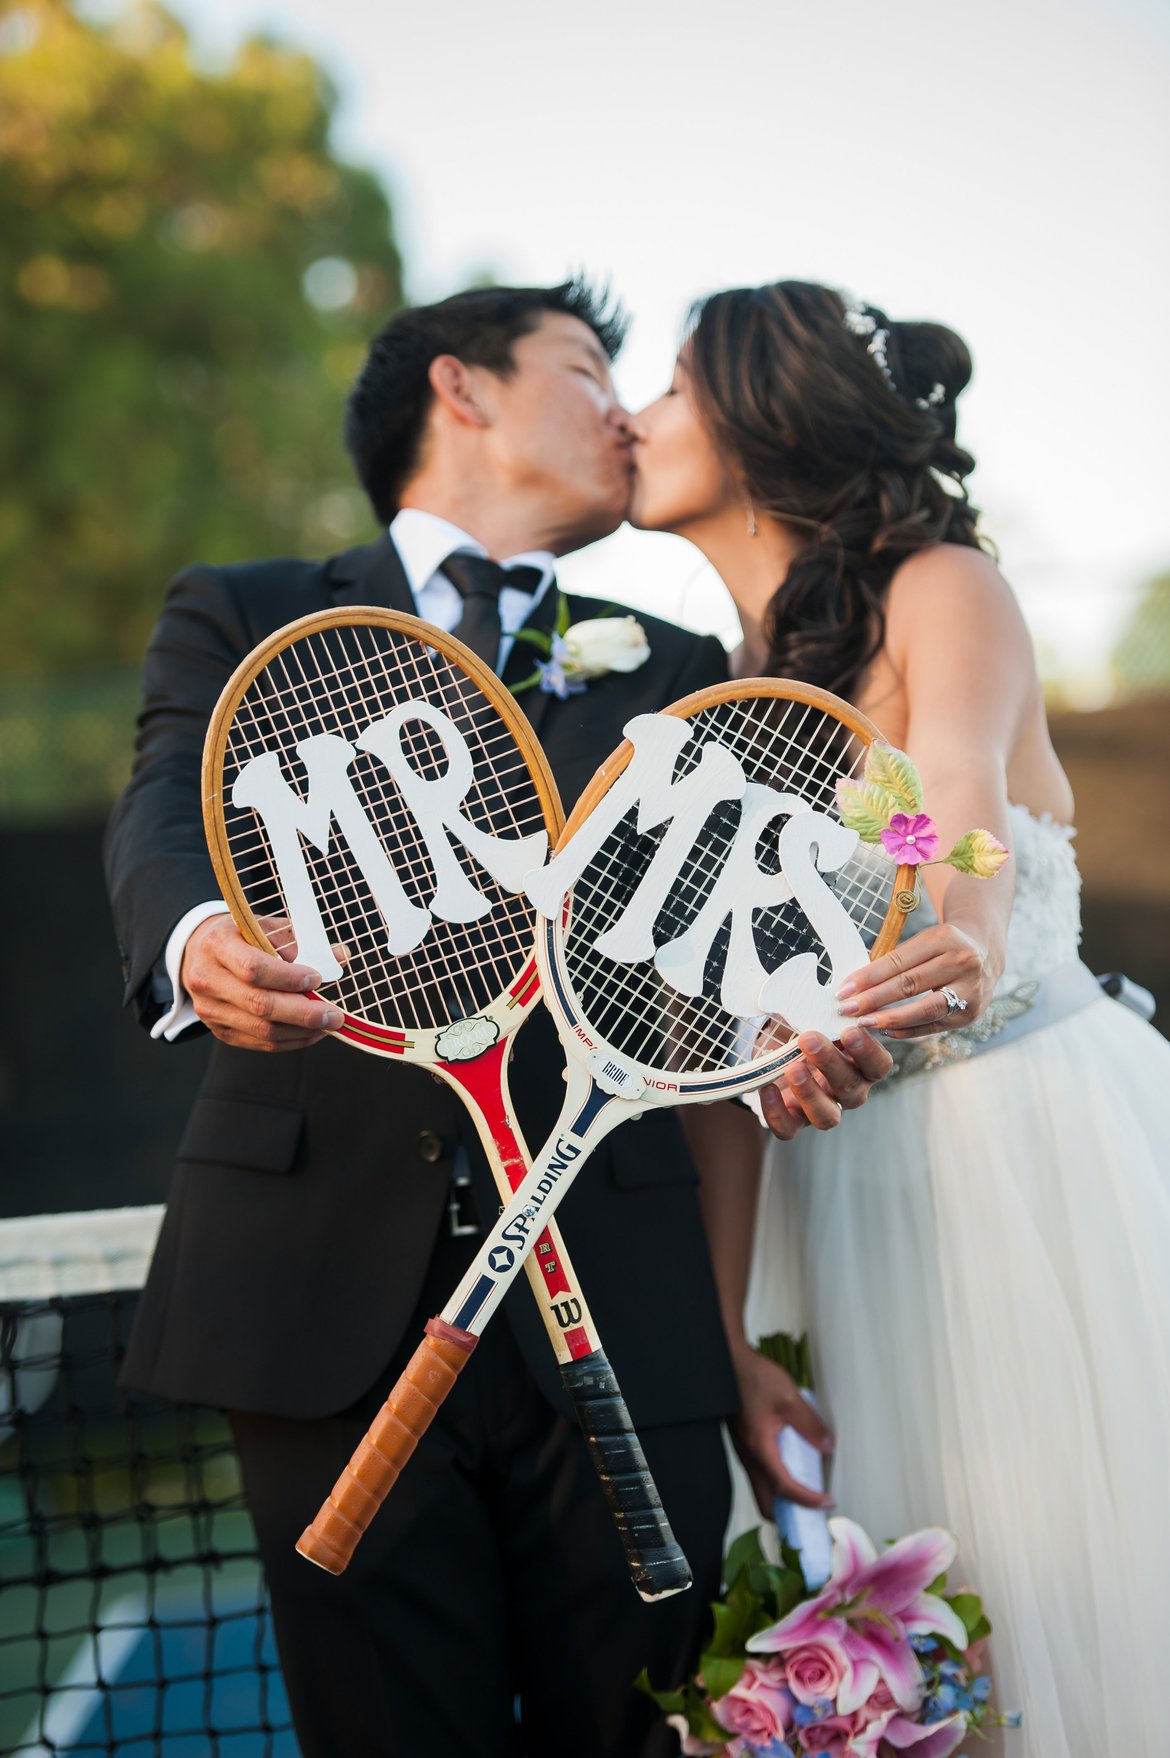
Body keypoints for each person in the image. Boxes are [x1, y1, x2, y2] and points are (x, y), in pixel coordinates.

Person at [104, 278, 891, 1758]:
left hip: (629, 1312)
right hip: (313, 1303)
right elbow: (159, 812)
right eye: (590, 366)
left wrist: (732, 1302)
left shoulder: (679, 673)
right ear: (460, 389)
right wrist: (199, 936)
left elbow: (712, 1008)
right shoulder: (247, 607)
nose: (623, 408)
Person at [626, 277, 1170, 1757]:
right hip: (834, 1208)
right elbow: (721, 1060)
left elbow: (952, 814)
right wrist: (736, 1326)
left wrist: (964, 929)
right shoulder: (719, 696)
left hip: (1021, 1170)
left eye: (666, 391)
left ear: (752, 415)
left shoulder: (939, 586)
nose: (633, 418)